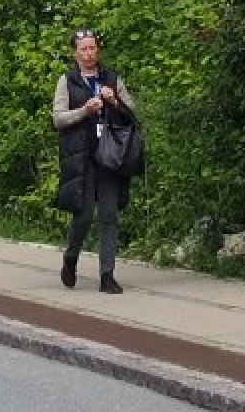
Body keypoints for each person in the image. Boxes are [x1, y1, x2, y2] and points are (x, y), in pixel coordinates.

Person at [52, 28, 138, 294]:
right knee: (84, 214)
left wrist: (115, 103)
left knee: (110, 215)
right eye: (83, 49)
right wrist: (84, 111)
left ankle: (107, 275)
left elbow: (132, 111)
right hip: (83, 156)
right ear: (75, 53)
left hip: (110, 154)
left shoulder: (111, 78)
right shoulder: (67, 81)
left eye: (92, 48)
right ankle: (71, 258)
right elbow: (58, 118)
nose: (89, 54)